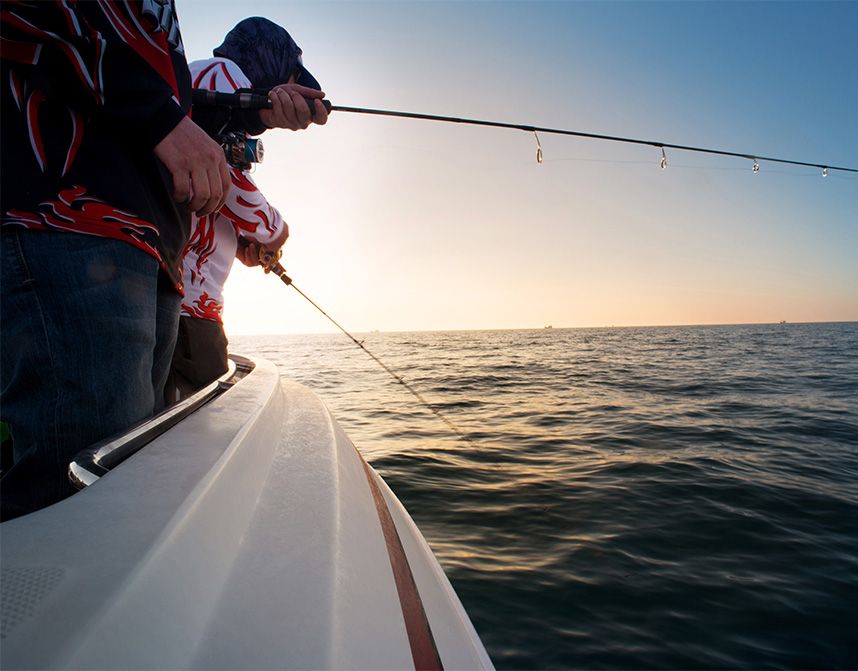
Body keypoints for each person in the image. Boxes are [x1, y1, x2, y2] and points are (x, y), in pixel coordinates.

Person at [167, 18, 328, 399]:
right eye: (289, 74)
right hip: (187, 310)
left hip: (184, 304)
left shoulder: (207, 80)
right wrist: (274, 232)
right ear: (266, 57)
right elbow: (229, 182)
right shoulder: (222, 76)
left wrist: (239, 245)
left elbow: (203, 183)